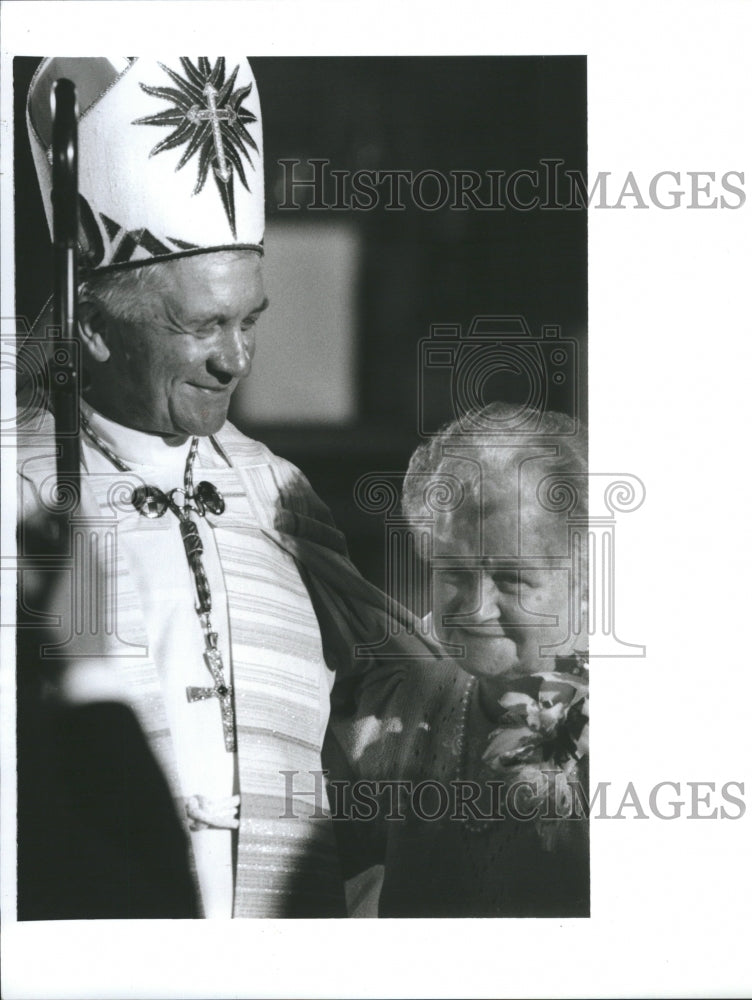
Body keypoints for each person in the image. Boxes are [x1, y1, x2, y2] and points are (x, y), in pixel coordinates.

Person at [17, 55, 439, 919]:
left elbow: (406, 687)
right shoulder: (21, 487)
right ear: (94, 329)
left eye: (249, 320)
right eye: (202, 324)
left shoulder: (271, 489)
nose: (235, 359)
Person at [327, 403, 590, 917]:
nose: (473, 606)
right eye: (452, 571)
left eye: (513, 579)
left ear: (586, 577)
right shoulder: (401, 699)